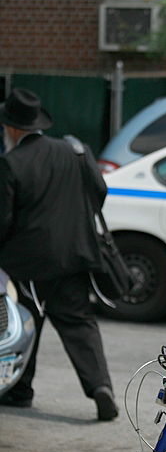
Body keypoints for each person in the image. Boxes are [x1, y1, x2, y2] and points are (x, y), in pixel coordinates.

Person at [0, 87, 118, 420]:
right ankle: (100, 387)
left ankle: (19, 390)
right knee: (79, 323)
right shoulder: (74, 152)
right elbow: (100, 190)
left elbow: (3, 219)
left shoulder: (11, 163)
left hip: (28, 264)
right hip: (75, 256)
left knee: (25, 324)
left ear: (11, 128)